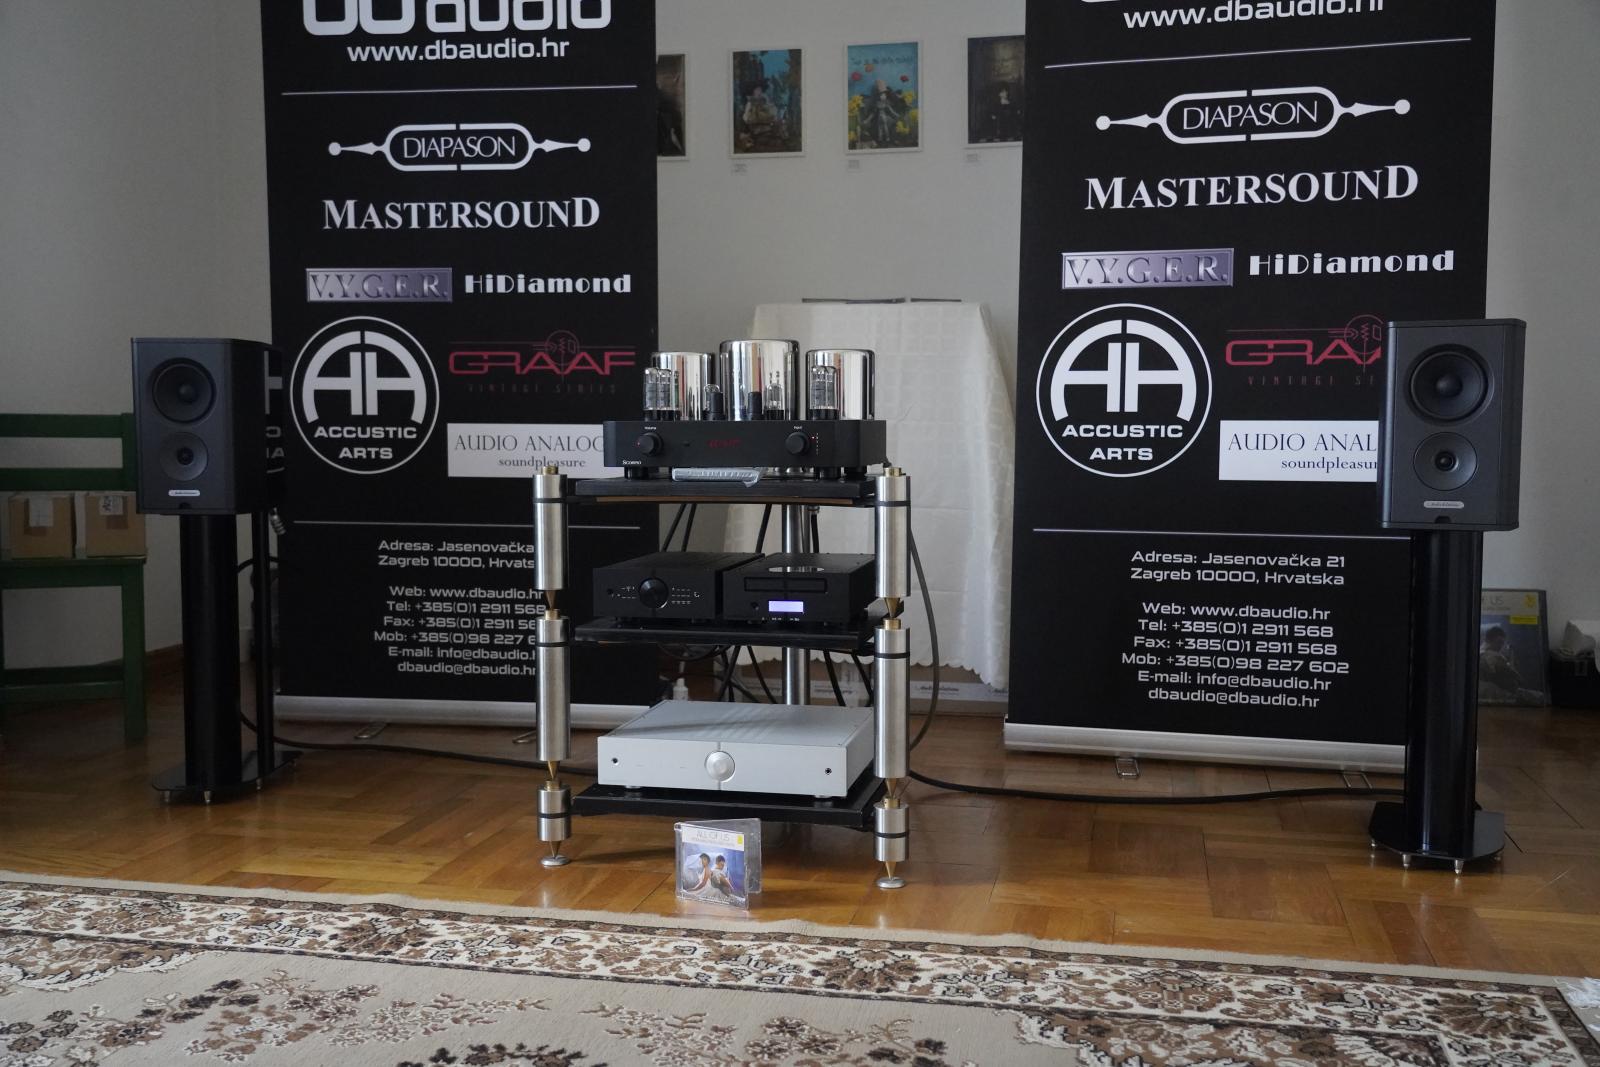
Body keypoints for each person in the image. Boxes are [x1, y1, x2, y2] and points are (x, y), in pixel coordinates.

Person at [859, 79, 908, 148]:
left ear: (886, 95)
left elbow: (890, 110)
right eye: (880, 95)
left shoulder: (887, 103)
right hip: (879, 119)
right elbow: (873, 113)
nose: (882, 96)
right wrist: (867, 120)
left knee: (886, 127)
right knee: (880, 128)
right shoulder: (877, 104)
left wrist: (896, 115)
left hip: (885, 118)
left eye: (884, 94)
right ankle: (880, 139)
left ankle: (887, 138)